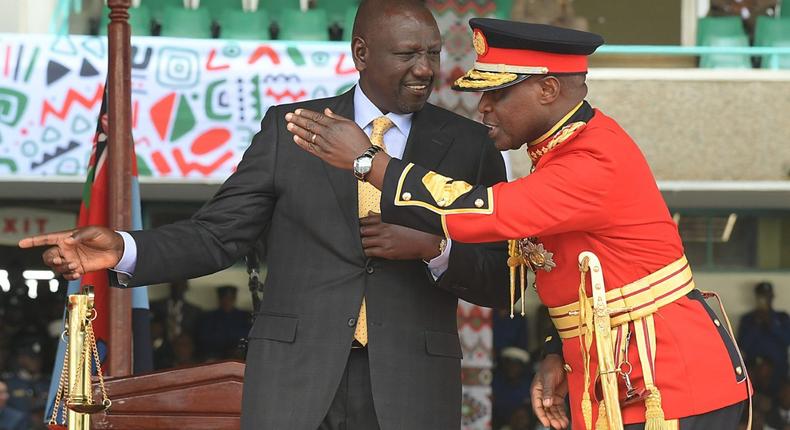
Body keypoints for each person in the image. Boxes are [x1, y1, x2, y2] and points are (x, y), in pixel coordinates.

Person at [19, 1, 508, 429]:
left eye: (432, 53)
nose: (425, 69)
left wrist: (436, 250)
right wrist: (125, 248)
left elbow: (502, 279)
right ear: (360, 53)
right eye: (407, 54)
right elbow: (216, 237)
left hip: (413, 387)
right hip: (292, 382)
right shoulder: (289, 129)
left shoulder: (468, 145)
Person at [285, 17, 751, 430]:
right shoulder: (558, 151)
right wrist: (557, 351)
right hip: (622, 375)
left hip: (670, 382)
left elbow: (487, 211)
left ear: (547, 90)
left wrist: (371, 161)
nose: (483, 108)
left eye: (497, 93)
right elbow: (569, 273)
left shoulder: (593, 158)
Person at [738, 281, 790, 396]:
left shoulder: (782, 318)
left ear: (772, 297)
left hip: (778, 373)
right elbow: (742, 346)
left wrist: (771, 323)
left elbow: (787, 340)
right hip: (754, 372)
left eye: (767, 296)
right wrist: (756, 323)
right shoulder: (748, 320)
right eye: (762, 297)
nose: (765, 300)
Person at [195, 285, 250, 360]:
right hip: (215, 355)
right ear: (220, 299)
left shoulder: (244, 316)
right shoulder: (209, 317)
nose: (227, 301)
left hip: (239, 356)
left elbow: (247, 335)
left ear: (234, 299)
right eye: (224, 298)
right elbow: (204, 338)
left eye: (230, 298)